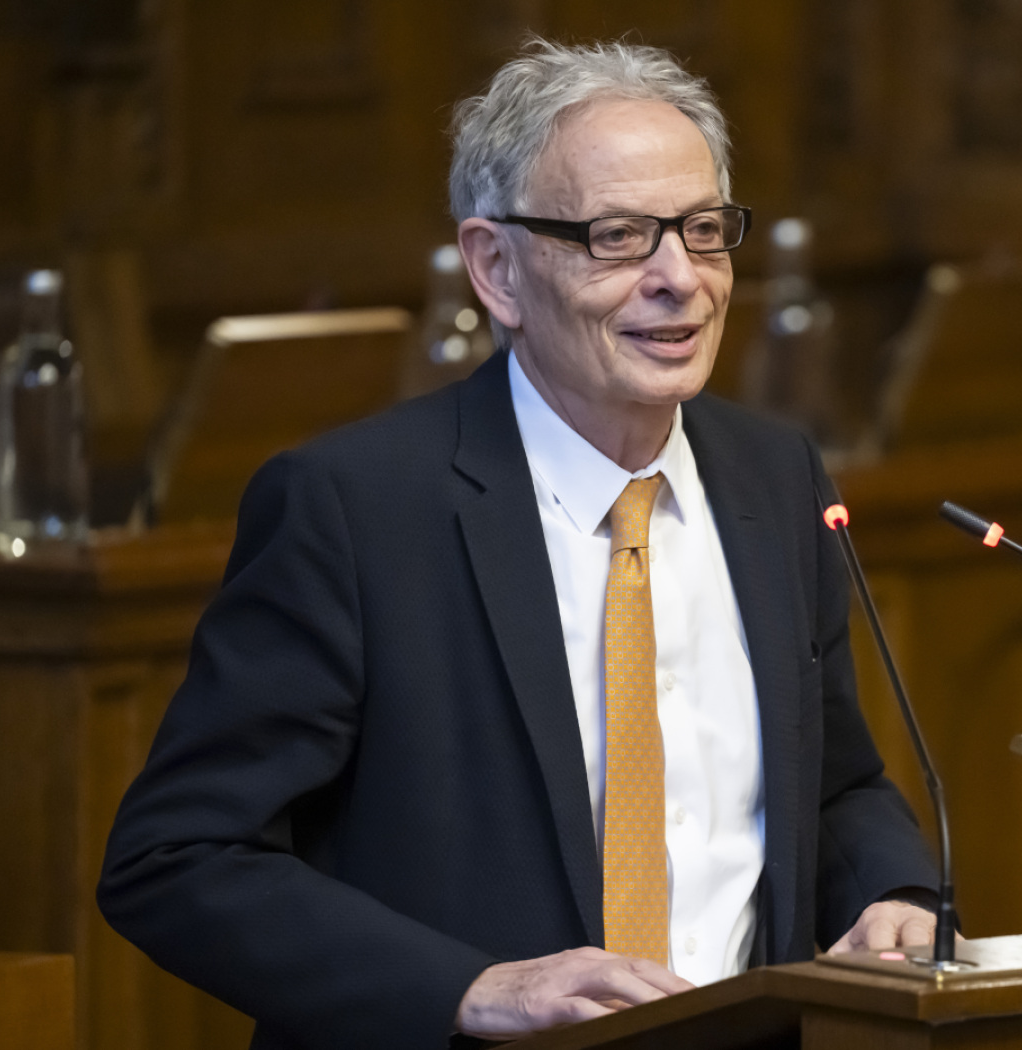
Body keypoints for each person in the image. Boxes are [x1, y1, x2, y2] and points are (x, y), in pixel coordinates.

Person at [97, 38, 940, 1050]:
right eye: (619, 238)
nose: (680, 279)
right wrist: (471, 988)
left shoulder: (775, 476)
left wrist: (893, 893)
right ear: (496, 268)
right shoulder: (352, 509)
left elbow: (833, 782)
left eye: (703, 230)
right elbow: (177, 857)